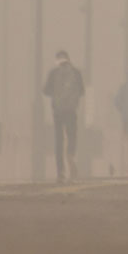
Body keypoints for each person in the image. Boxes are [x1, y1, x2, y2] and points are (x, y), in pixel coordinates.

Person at [43, 49, 85, 182]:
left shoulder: (53, 73)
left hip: (57, 111)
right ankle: (70, 154)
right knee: (72, 135)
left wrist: (57, 95)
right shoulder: (76, 72)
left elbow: (46, 90)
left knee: (59, 140)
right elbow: (82, 91)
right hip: (71, 110)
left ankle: (60, 171)